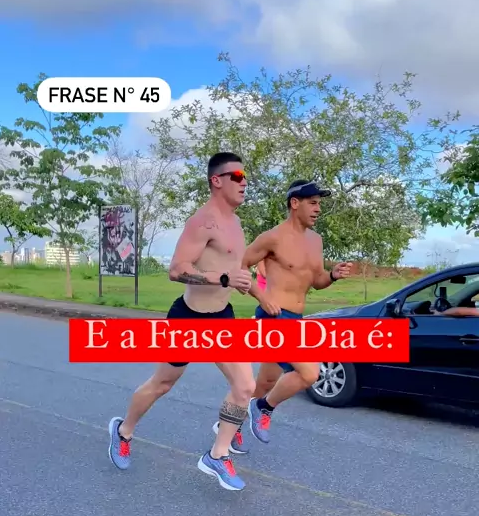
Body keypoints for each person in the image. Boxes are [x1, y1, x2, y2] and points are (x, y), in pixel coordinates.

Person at [108, 151, 255, 491]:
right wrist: (222, 278)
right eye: (237, 176)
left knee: (245, 386)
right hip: (189, 317)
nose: (244, 182)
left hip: (222, 318)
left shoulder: (235, 223)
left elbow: (236, 271)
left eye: (246, 177)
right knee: (162, 384)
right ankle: (123, 431)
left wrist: (258, 292)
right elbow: (176, 269)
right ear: (216, 180)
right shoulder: (202, 222)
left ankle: (217, 455)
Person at [241, 179, 352, 444]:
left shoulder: (316, 240)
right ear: (294, 203)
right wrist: (262, 296)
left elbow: (317, 280)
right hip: (274, 316)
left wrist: (332, 275)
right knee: (310, 373)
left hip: (295, 318)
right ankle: (263, 408)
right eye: (312, 203)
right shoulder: (273, 237)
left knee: (265, 383)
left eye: (319, 204)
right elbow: (239, 266)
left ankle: (228, 427)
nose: (318, 209)